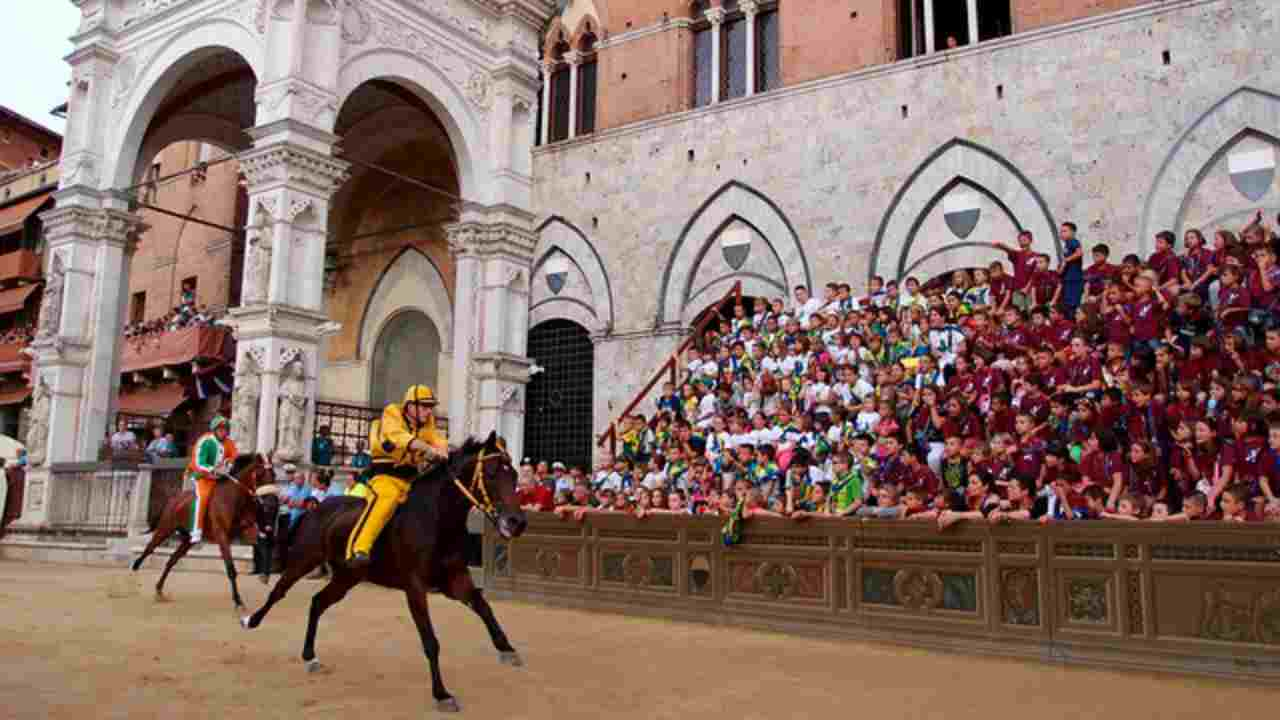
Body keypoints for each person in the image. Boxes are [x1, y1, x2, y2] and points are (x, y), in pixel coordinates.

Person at [345, 385, 448, 569]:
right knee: (386, 499)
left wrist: (444, 449)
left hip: (411, 478)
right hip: (386, 475)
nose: (429, 411)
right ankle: (358, 550)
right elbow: (396, 436)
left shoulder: (428, 422)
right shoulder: (392, 412)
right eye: (424, 406)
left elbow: (436, 439)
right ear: (410, 406)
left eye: (431, 406)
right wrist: (425, 448)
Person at [186, 416, 237, 545]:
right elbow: (199, 462)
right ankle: (196, 531)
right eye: (220, 429)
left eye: (225, 429)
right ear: (214, 430)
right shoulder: (205, 441)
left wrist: (228, 466)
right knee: (203, 497)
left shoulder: (229, 442)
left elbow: (233, 455)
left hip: (220, 477)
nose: (223, 432)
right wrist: (214, 470)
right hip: (202, 476)